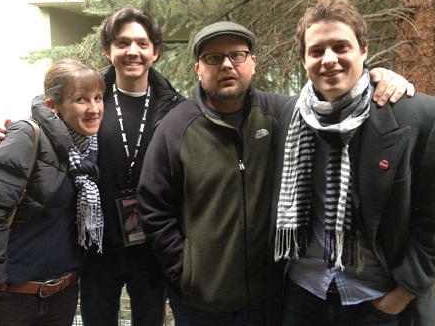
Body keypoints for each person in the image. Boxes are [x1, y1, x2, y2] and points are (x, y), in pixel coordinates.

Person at [136, 20, 415, 325]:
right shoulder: (175, 128)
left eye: (237, 55)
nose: (227, 64)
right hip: (198, 303)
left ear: (253, 63)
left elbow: (335, 98)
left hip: (266, 300)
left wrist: (379, 77)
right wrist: (185, 271)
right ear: (198, 68)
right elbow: (153, 208)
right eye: (213, 58)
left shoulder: (285, 115)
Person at [0, 7, 186, 326]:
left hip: (150, 248)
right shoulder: (86, 97)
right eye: (122, 43)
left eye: (142, 44)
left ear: (155, 52)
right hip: (94, 249)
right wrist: (1, 135)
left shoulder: (176, 108)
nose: (133, 51)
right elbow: (44, 128)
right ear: (107, 50)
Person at [271, 0, 435, 326]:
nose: (329, 59)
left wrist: (399, 298)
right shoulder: (288, 116)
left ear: (364, 50)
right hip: (303, 296)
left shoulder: (420, 117)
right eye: (316, 51)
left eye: (340, 47)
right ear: (304, 60)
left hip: (378, 303)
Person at [0, 59, 105, 326]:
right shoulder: (25, 136)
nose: (94, 108)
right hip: (7, 301)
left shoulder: (90, 149)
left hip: (61, 297)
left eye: (98, 98)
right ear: (52, 106)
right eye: (81, 100)